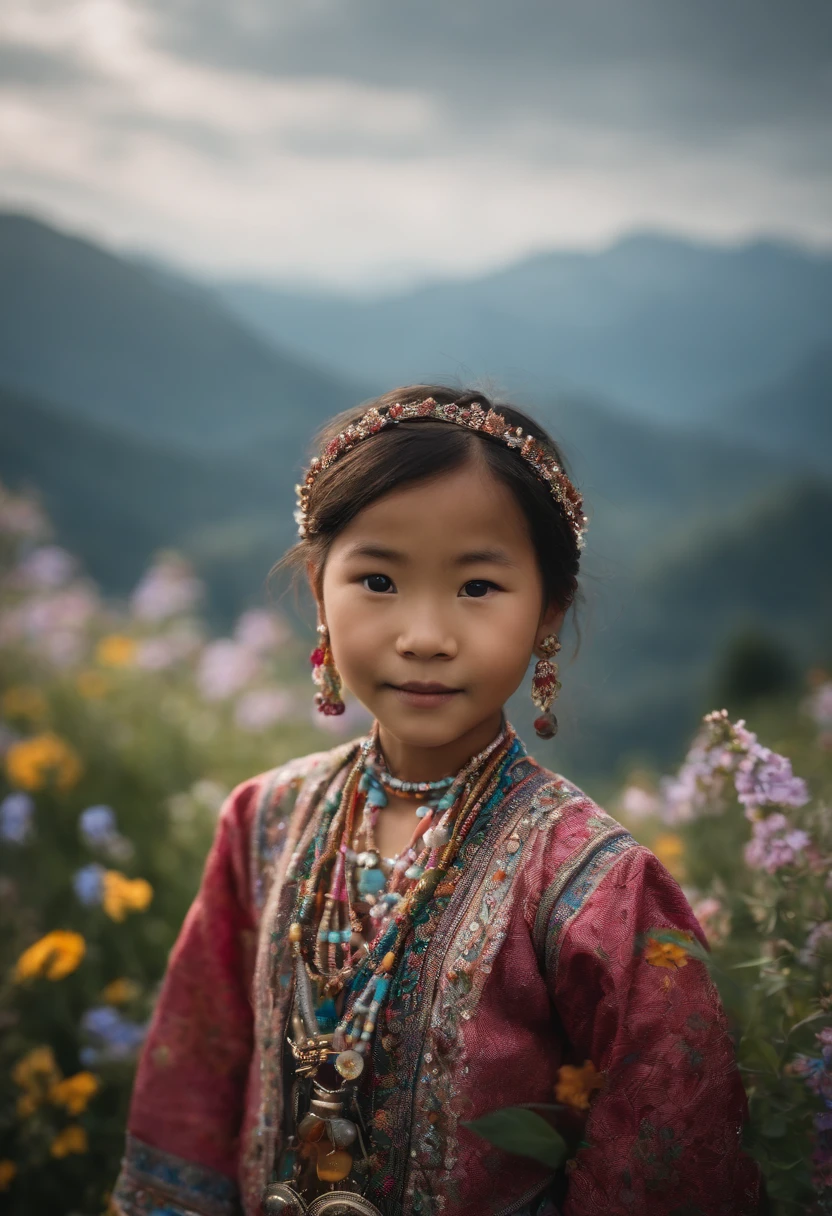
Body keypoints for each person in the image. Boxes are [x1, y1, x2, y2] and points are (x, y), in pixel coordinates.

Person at [111, 386, 763, 1216]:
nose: (424, 633)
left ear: (548, 612)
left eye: (478, 587)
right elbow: (194, 1088)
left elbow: (667, 1146)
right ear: (319, 589)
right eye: (377, 579)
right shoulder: (265, 820)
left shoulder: (592, 884)